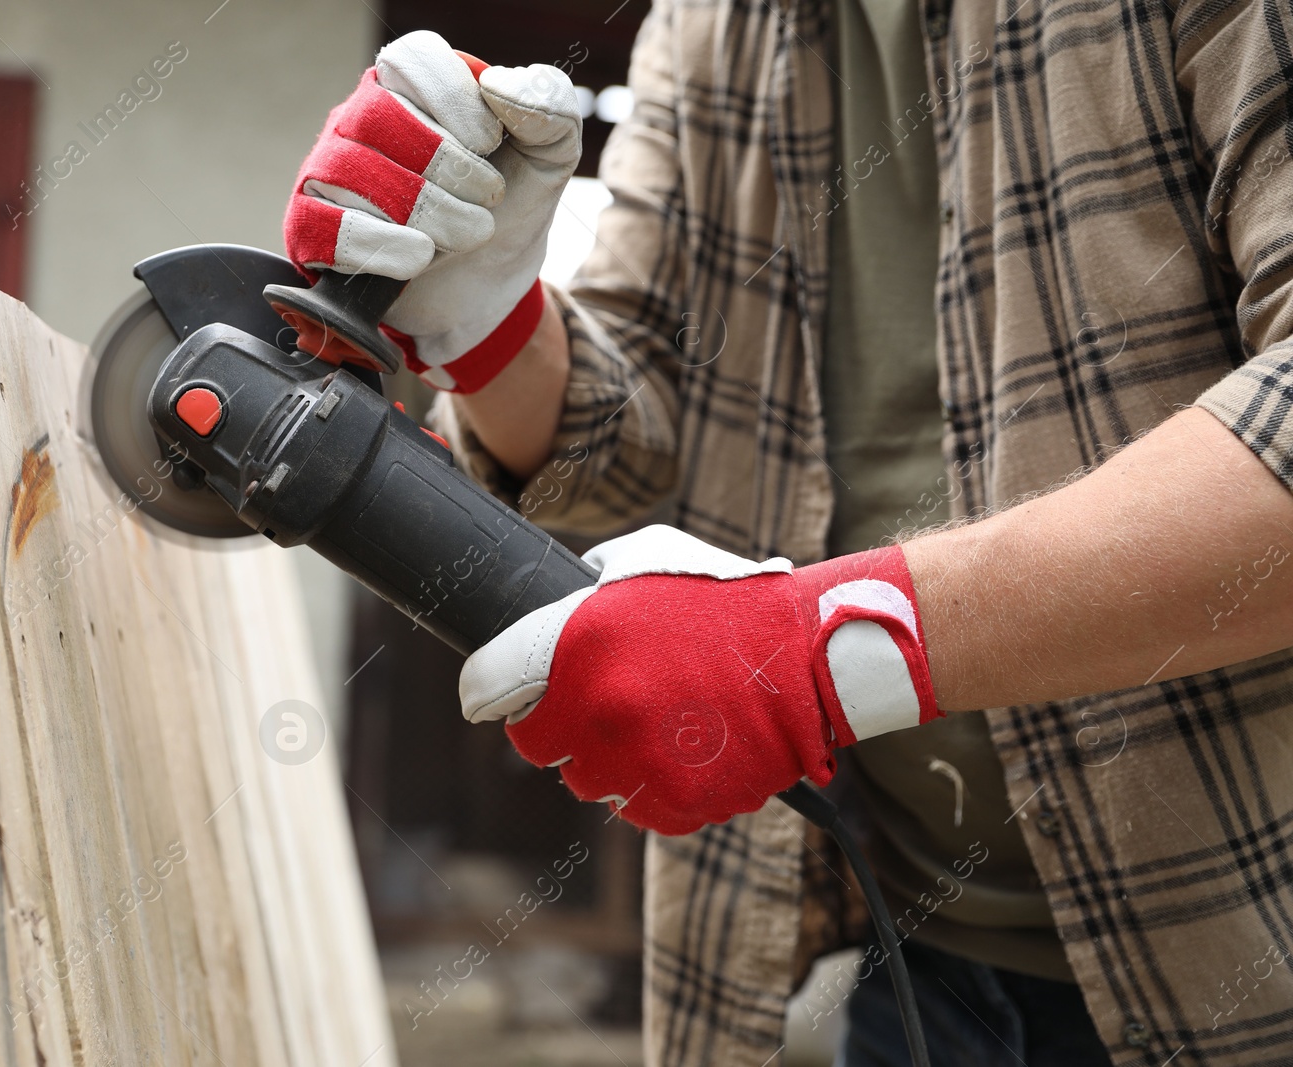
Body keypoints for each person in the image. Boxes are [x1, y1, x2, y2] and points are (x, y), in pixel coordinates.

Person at [283, 4, 1293, 1064]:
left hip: (1241, 954)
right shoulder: (709, 22)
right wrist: (485, 327)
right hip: (923, 956)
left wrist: (817, 650)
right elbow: (628, 437)